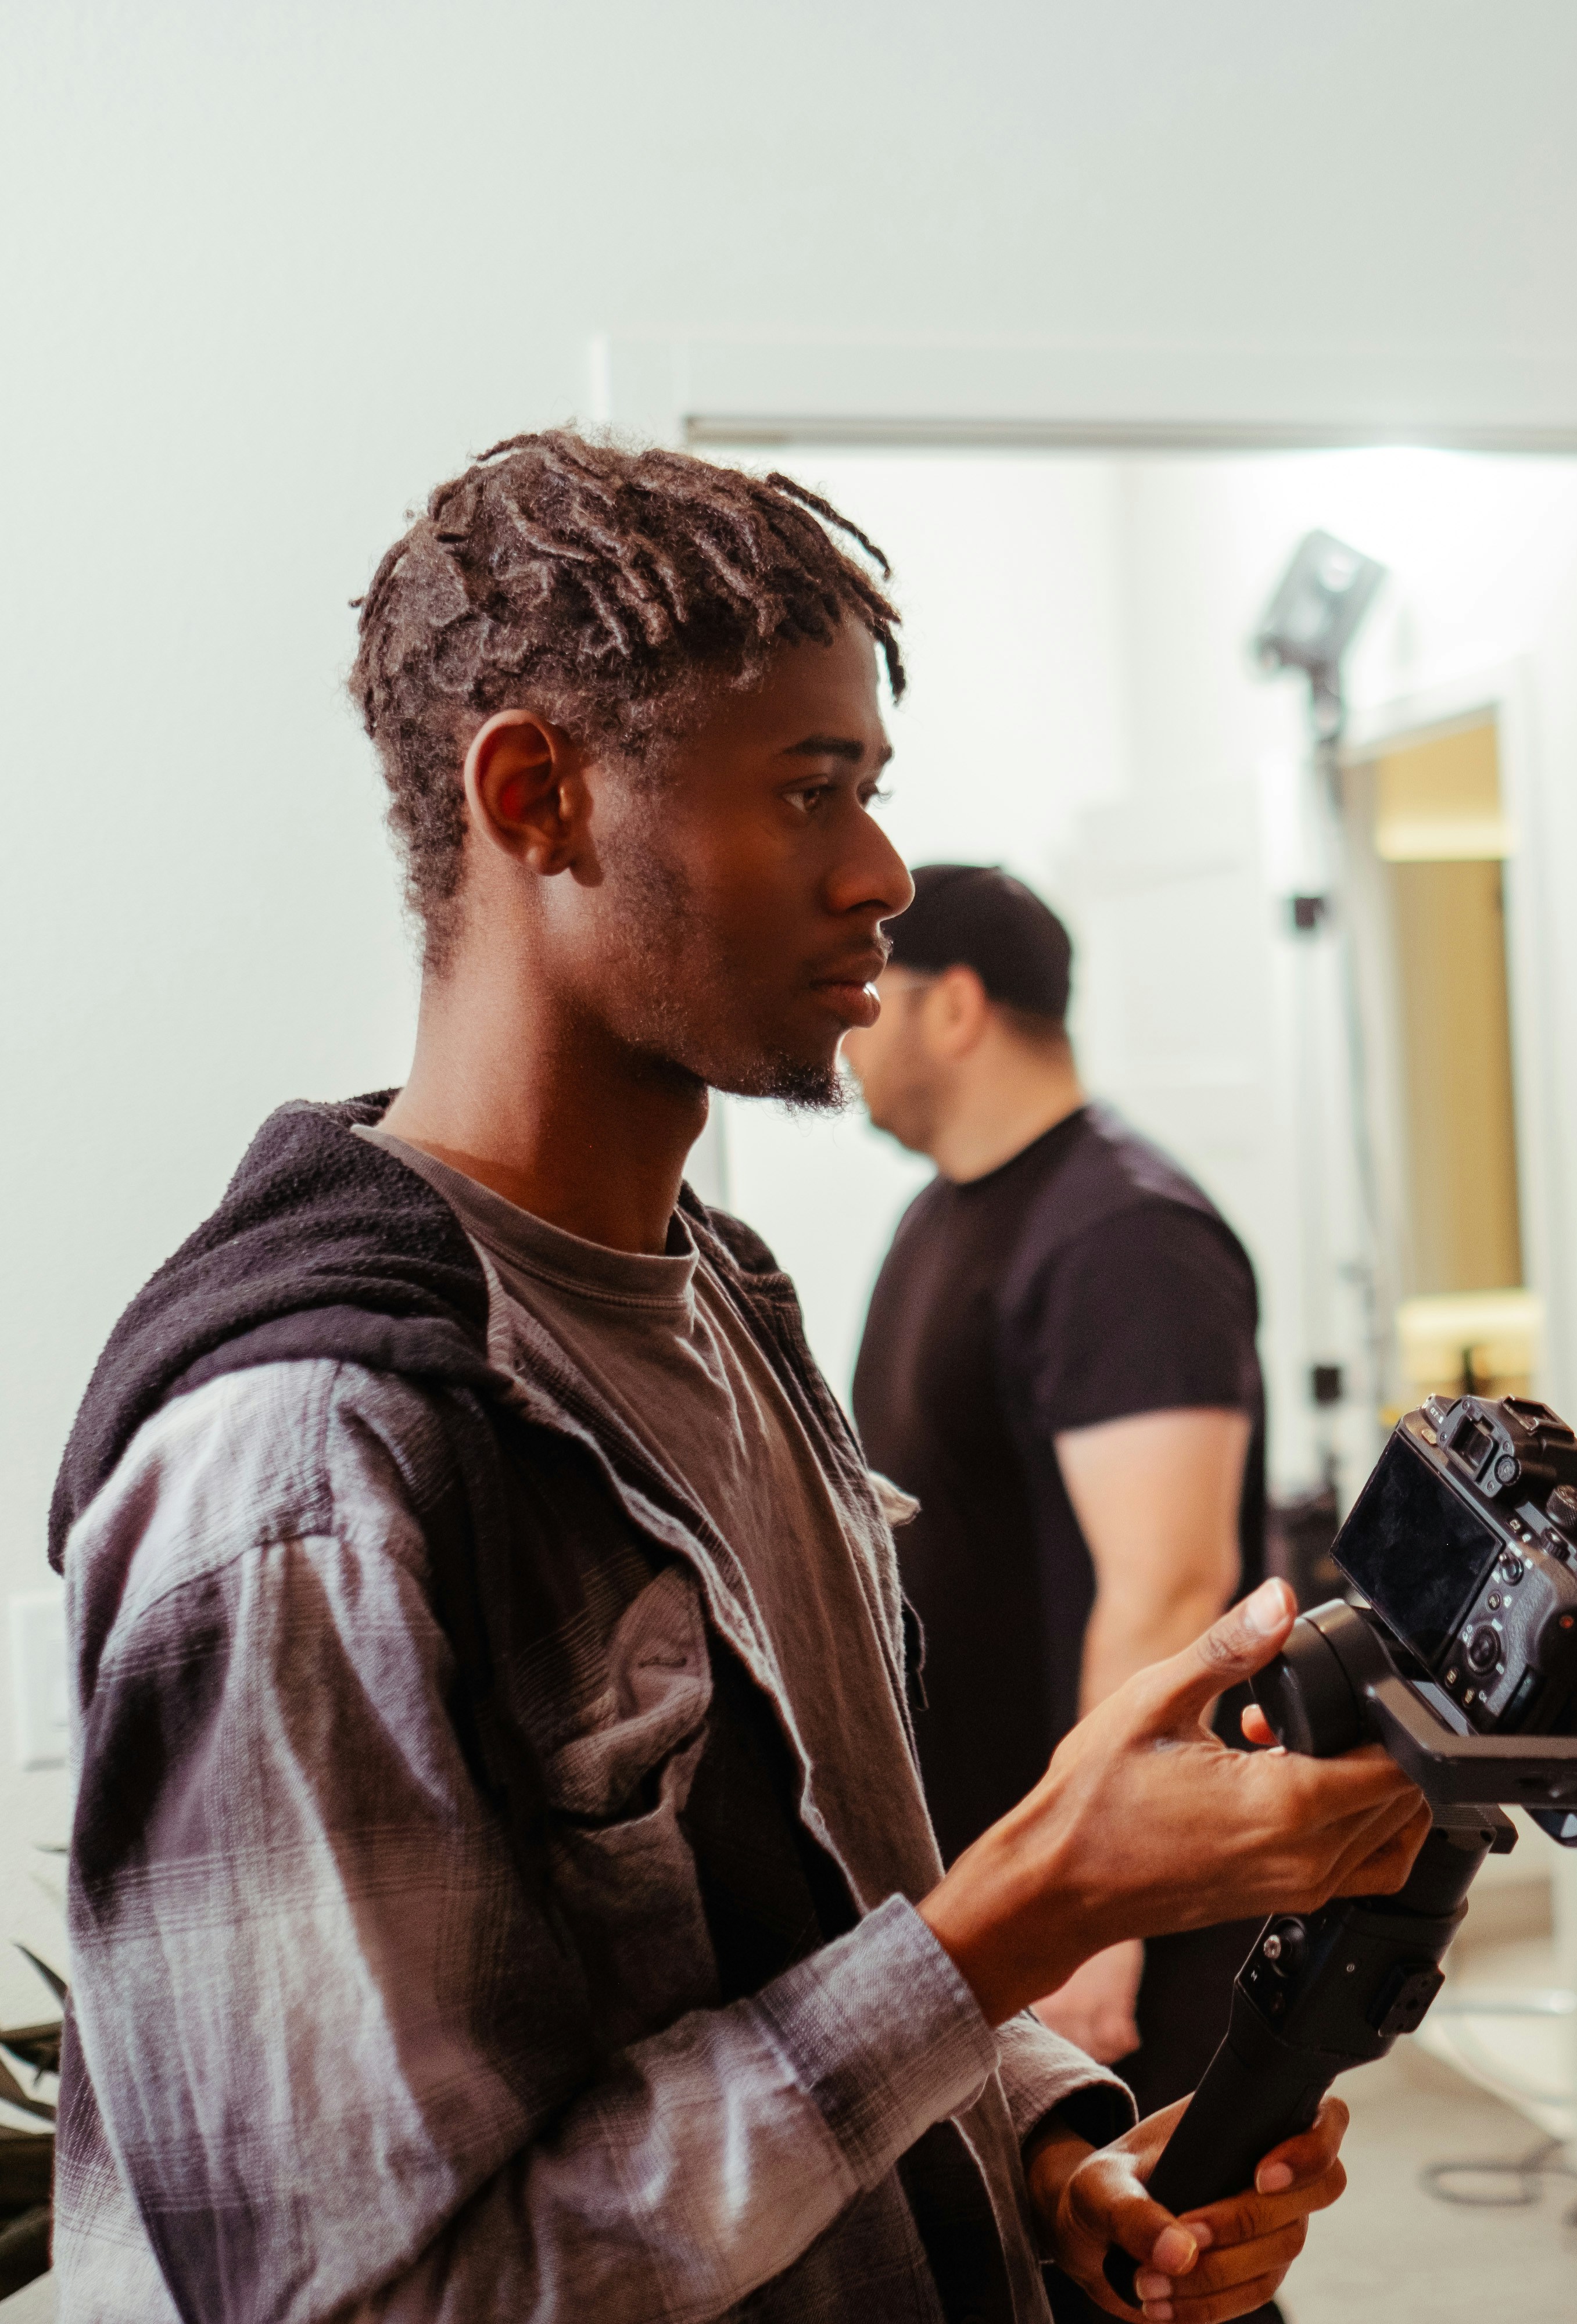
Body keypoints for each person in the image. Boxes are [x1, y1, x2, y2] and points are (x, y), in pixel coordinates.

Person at [51, 433, 1428, 2324]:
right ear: (539, 797)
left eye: (872, 792)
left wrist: (1043, 2152)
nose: (880, 873)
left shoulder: (724, 1296)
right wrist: (1033, 1906)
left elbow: (816, 1931)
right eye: (809, 794)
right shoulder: (303, 1458)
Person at [845, 867, 1270, 2116]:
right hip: (1003, 1870)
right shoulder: (951, 1213)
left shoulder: (1123, 1238)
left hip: (1110, 1904)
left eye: (875, 993)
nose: (846, 1025)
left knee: (1162, 2280)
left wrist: (1094, 1909)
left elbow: (1171, 1583)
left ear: (956, 1006)